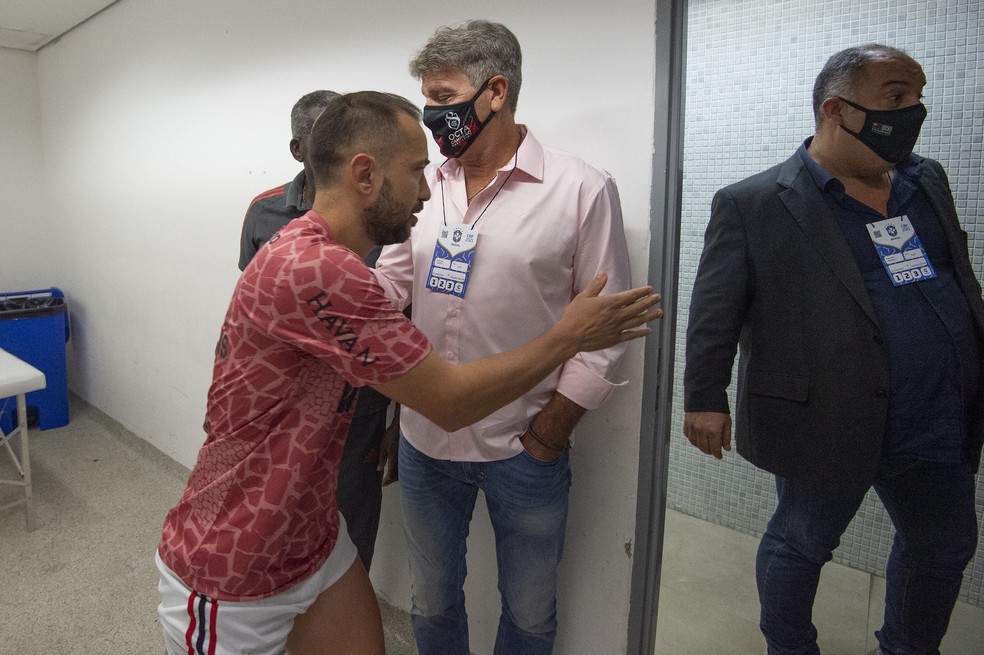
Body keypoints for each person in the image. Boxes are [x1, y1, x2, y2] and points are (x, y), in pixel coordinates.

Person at [156, 91, 661, 655]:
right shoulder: (317, 269)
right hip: (238, 548)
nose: (428, 188)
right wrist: (569, 335)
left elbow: (391, 343)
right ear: (365, 175)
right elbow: (449, 400)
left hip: (313, 532)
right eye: (418, 171)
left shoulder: (327, 257)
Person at [683, 44, 983, 655]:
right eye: (895, 100)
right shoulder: (754, 202)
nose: (913, 114)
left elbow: (956, 277)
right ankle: (790, 647)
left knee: (943, 545)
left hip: (935, 415)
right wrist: (704, 397)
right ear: (835, 110)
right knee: (802, 543)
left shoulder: (927, 181)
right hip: (827, 415)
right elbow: (715, 312)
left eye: (919, 99)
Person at [373, 20, 634, 654]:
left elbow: (603, 327)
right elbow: (389, 288)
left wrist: (549, 433)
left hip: (525, 445)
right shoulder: (423, 187)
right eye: (427, 99)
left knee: (530, 611)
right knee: (431, 603)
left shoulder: (581, 188)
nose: (431, 116)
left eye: (441, 96)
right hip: (426, 442)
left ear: (496, 91)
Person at [238, 89, 397, 571]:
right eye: (324, 139)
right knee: (278, 535)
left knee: (350, 539)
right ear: (298, 150)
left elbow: (405, 323)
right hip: (281, 413)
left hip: (359, 413)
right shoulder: (263, 211)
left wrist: (401, 424)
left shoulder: (383, 218)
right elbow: (251, 312)